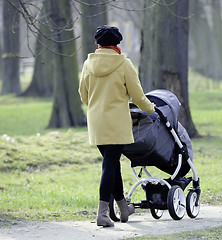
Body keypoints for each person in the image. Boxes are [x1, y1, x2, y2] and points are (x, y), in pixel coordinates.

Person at [78, 25, 155, 227]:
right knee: (109, 166)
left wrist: (97, 107)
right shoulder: (124, 63)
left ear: (98, 44)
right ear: (117, 44)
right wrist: (152, 109)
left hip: (96, 122)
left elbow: (83, 95)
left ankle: (123, 208)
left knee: (111, 164)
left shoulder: (88, 64)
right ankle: (102, 213)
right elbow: (138, 97)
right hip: (116, 122)